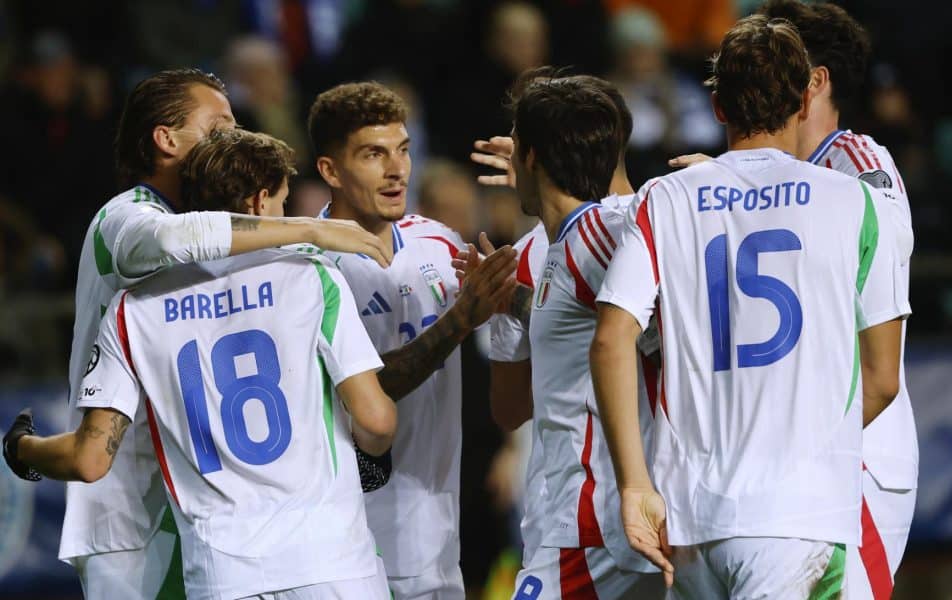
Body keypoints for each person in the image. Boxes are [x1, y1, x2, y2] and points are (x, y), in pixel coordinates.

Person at [37, 67, 389, 600]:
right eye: (217, 126)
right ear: (165, 138)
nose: (230, 137)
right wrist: (310, 228)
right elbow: (171, 239)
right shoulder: (124, 217)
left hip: (206, 508)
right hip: (132, 514)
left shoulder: (215, 264)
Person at [591, 16, 909, 598]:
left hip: (689, 519)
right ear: (805, 95)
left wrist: (635, 485)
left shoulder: (666, 197)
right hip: (796, 518)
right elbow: (882, 380)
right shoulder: (856, 202)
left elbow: (611, 339)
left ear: (716, 106)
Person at [308, 81, 518, 599]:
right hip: (350, 545)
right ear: (330, 171)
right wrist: (457, 321)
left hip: (438, 534)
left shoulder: (439, 242)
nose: (397, 169)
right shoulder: (306, 268)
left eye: (402, 150)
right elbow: (363, 394)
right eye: (373, 154)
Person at [474, 73, 666, 598]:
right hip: (581, 519)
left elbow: (668, 334)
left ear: (530, 155)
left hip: (593, 520)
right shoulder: (553, 247)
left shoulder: (604, 230)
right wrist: (508, 301)